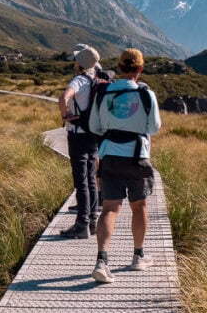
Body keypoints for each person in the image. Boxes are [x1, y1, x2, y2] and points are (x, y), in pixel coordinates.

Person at [88, 48, 161, 283]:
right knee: (139, 206)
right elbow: (154, 128)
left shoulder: (103, 93)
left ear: (119, 68)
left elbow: (95, 126)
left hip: (109, 155)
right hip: (137, 156)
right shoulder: (146, 95)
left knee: (109, 208)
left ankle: (102, 261)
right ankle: (138, 256)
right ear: (140, 69)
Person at [58, 44, 102, 238]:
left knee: (80, 179)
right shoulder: (97, 80)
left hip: (77, 133)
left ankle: (81, 224)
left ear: (80, 63)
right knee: (91, 177)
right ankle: (92, 220)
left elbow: (63, 98)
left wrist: (65, 114)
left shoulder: (79, 80)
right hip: (93, 133)